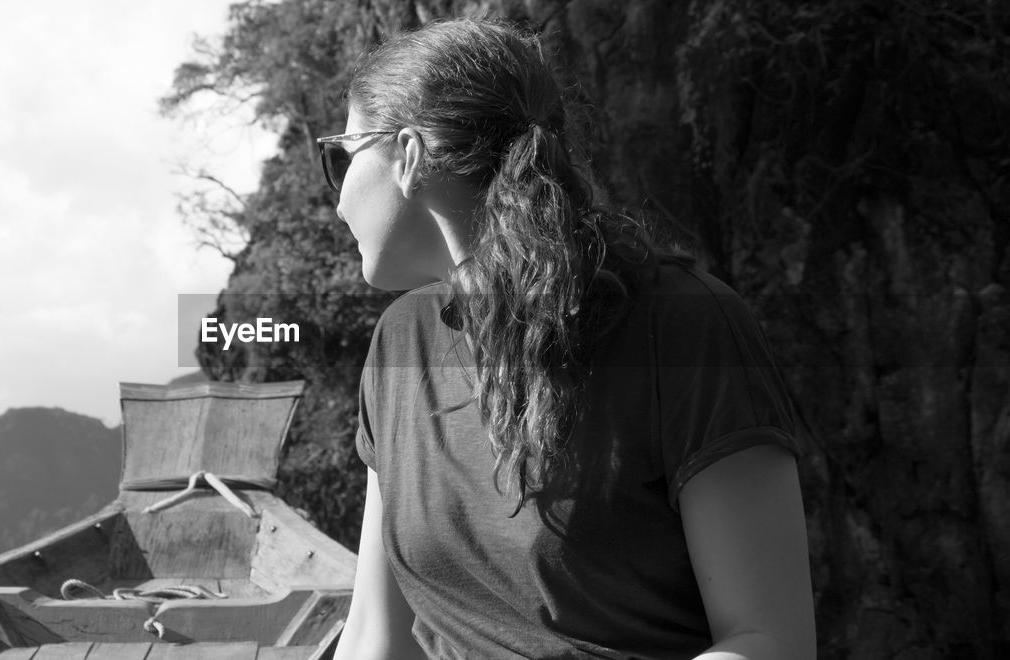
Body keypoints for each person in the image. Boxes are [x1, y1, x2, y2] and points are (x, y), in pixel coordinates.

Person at [318, 17, 816, 660]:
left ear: (409, 156)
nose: (335, 202)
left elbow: (769, 640)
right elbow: (373, 638)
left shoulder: (688, 326)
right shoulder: (399, 344)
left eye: (341, 157)